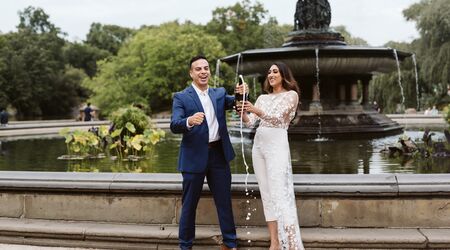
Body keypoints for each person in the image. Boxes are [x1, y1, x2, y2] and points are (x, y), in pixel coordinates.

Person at [170, 55, 247, 250]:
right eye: (198, 69)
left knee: (224, 202)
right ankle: (185, 245)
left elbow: (238, 103)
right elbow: (174, 124)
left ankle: (230, 243)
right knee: (189, 205)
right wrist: (189, 121)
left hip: (218, 156)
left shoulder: (219, 93)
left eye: (206, 68)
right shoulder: (181, 97)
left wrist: (241, 93)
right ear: (191, 73)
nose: (203, 71)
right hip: (193, 157)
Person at [237, 62, 305, 250]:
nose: (271, 74)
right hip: (259, 147)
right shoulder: (262, 98)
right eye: (269, 72)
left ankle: (291, 243)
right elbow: (251, 123)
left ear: (283, 75)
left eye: (275, 71)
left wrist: (255, 110)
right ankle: (274, 242)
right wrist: (243, 111)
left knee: (280, 195)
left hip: (277, 145)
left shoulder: (291, 95)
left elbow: (278, 119)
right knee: (267, 195)